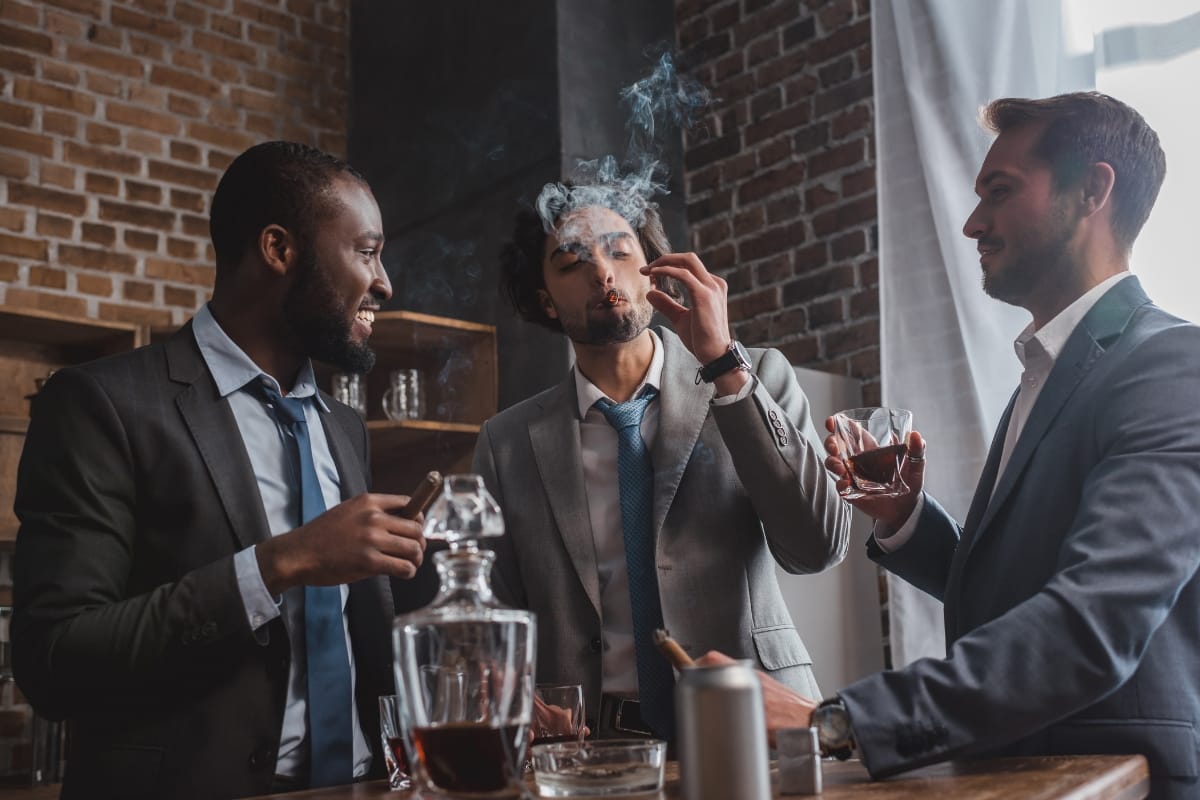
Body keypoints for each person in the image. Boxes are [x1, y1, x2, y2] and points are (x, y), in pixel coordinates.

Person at [704, 92, 1200, 799]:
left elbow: (1093, 624)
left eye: (999, 192)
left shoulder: (1174, 363)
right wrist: (906, 519)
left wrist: (836, 723)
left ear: (1093, 189)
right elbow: (1019, 589)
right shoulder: (1047, 371)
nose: (973, 223)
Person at [12, 142, 428, 798]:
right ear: (278, 250)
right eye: (367, 252)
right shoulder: (102, 404)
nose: (385, 283)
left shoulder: (343, 426)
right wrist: (278, 564)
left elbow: (351, 643)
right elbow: (54, 660)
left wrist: (468, 686)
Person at [473, 181, 852, 742]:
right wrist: (509, 689)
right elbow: (490, 612)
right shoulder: (505, 443)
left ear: (654, 270)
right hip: (588, 746)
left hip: (754, 724)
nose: (603, 272)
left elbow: (818, 546)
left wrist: (725, 366)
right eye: (572, 260)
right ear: (545, 301)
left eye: (620, 250)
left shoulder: (755, 377)